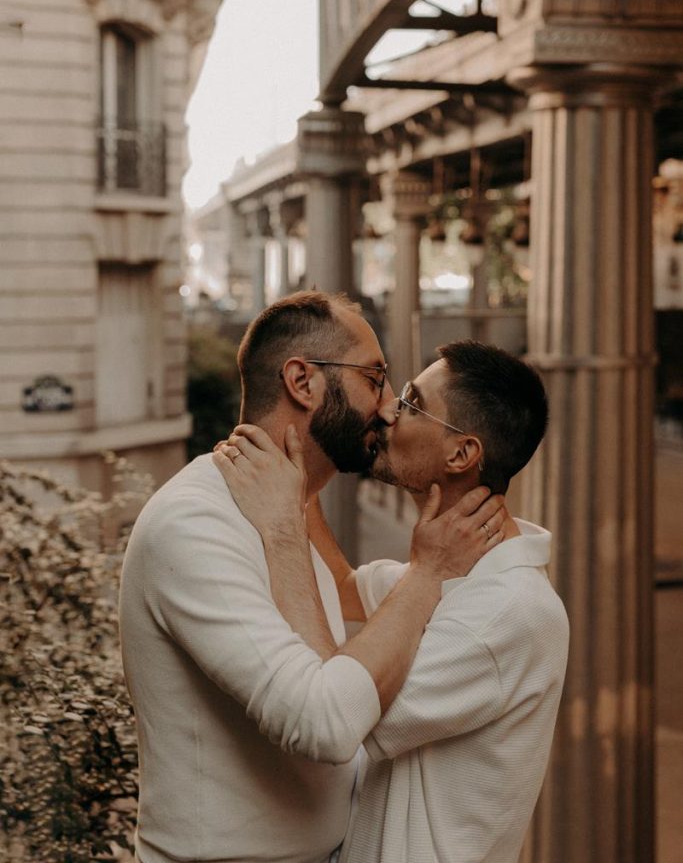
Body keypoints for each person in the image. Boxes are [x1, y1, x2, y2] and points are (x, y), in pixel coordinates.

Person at [119, 291, 506, 863]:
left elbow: (342, 650)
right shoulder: (195, 522)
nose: (387, 408)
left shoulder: (283, 510)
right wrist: (429, 572)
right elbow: (324, 723)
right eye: (374, 378)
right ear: (303, 382)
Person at [214, 340, 569, 863]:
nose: (386, 411)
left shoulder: (507, 612)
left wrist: (284, 526)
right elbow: (340, 587)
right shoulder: (455, 564)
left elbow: (338, 715)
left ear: (462, 454)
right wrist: (299, 465)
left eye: (410, 402)